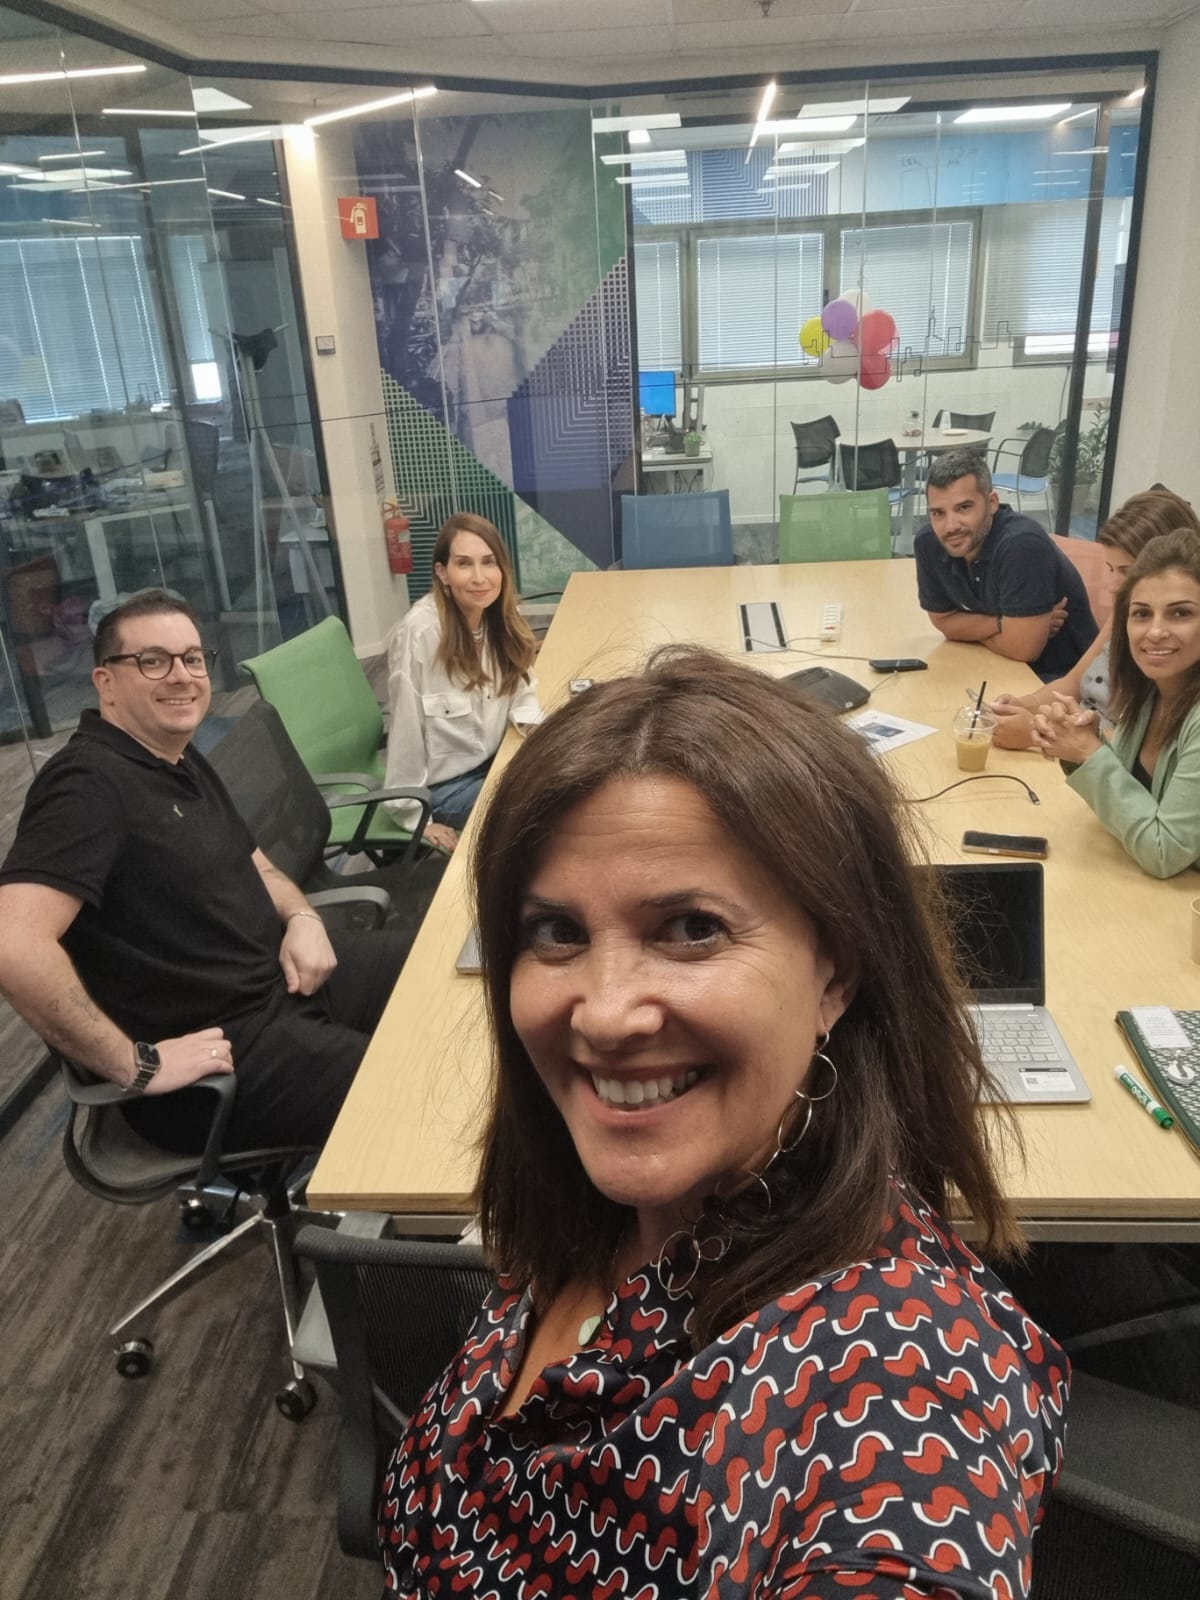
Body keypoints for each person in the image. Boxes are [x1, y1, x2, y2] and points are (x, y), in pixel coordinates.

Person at [379, 647, 1069, 1598]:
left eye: (692, 929)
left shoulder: (894, 1365)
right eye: (557, 932)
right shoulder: (597, 1204)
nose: (604, 1013)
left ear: (835, 973)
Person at [0, 589, 407, 1154]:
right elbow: (14, 943)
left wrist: (302, 917)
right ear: (105, 683)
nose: (181, 676)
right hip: (222, 1052)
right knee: (416, 1093)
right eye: (152, 660)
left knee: (444, 978)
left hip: (280, 980)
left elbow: (255, 861)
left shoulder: (175, 756)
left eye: (192, 658)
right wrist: (136, 1065)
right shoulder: (87, 786)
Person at [1031, 528, 1200, 878]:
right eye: (1141, 614)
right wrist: (1081, 740)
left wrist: (1090, 754)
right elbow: (1130, 801)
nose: (1155, 631)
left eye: (1180, 613)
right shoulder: (1152, 689)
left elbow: (1165, 851)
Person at [991, 488, 1200, 749]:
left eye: (1127, 571)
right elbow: (1075, 680)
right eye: (1111, 569)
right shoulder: (1127, 614)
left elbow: (1134, 750)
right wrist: (1025, 705)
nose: (1113, 586)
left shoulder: (1164, 649)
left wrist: (1037, 731)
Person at [383, 512, 541, 853]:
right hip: (446, 788)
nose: (479, 577)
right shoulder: (420, 633)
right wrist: (417, 818)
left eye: (489, 562)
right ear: (443, 573)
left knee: (571, 777)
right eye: (464, 564)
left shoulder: (497, 616)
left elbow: (522, 686)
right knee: (542, 812)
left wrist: (530, 723)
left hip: (496, 759)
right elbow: (406, 729)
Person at [914, 449, 1097, 680]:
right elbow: (944, 622)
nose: (950, 526)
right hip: (997, 667)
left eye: (964, 508)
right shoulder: (929, 543)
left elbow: (1023, 650)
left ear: (992, 503)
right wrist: (1003, 624)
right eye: (938, 513)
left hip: (1063, 679)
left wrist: (973, 631)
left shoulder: (1021, 544)